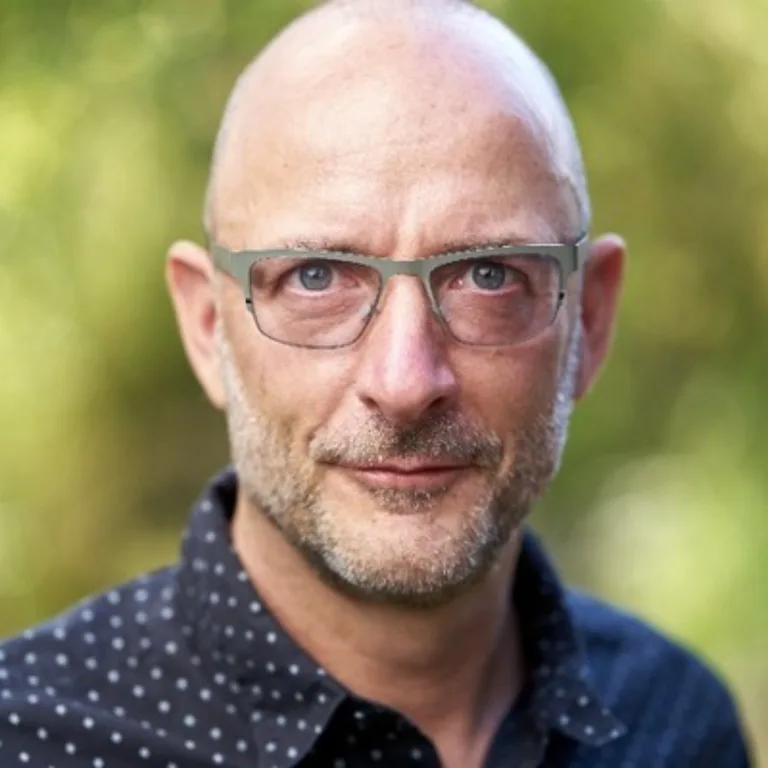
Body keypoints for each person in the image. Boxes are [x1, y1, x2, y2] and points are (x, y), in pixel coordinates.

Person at [0, 0, 753, 766]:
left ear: (588, 322)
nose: (404, 381)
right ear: (206, 327)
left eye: (488, 276)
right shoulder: (27, 742)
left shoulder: (673, 723)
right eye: (316, 276)